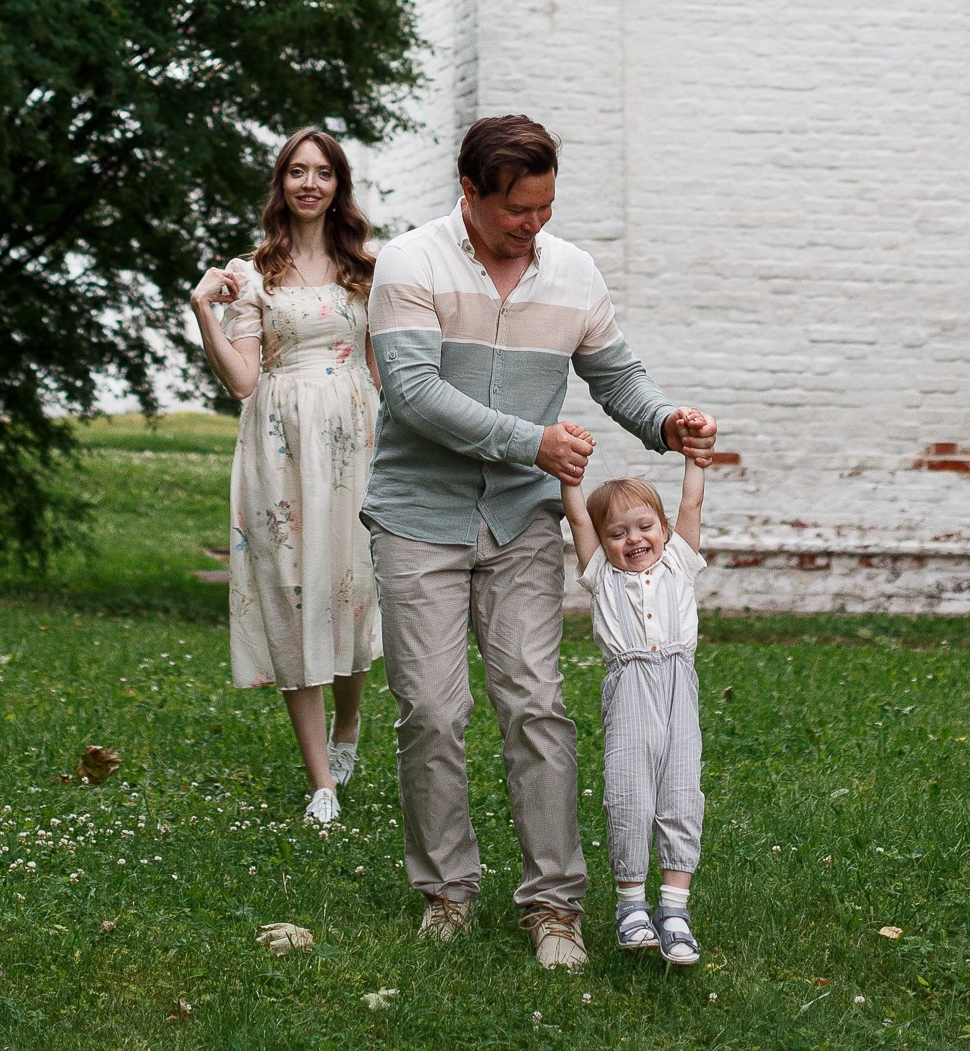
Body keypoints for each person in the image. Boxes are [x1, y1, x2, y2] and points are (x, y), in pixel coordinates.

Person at [361, 111, 717, 973]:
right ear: (471, 195)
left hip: (521, 519)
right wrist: (530, 442)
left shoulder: (574, 272)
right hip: (417, 515)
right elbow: (411, 394)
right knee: (434, 713)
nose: (534, 226)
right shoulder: (410, 263)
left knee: (536, 706)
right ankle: (447, 892)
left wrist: (666, 421)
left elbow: (616, 376)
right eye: (518, 210)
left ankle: (554, 905)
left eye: (546, 208)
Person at [190, 128, 382, 827]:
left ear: (338, 185)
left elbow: (382, 371)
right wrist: (203, 310)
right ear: (282, 183)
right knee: (293, 592)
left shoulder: (367, 267)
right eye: (297, 172)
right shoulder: (253, 273)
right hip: (279, 444)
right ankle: (322, 781)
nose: (309, 184)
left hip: (355, 438)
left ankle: (350, 724)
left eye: (322, 173)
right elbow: (242, 379)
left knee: (353, 589)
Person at [561, 464, 707, 967]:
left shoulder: (679, 563)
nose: (635, 539)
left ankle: (674, 911)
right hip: (629, 686)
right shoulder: (602, 575)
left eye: (645, 526)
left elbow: (691, 506)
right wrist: (570, 478)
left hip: (678, 685)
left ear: (663, 528)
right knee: (629, 794)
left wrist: (696, 462)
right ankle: (630, 908)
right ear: (603, 544)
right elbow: (578, 520)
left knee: (682, 791)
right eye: (618, 533)